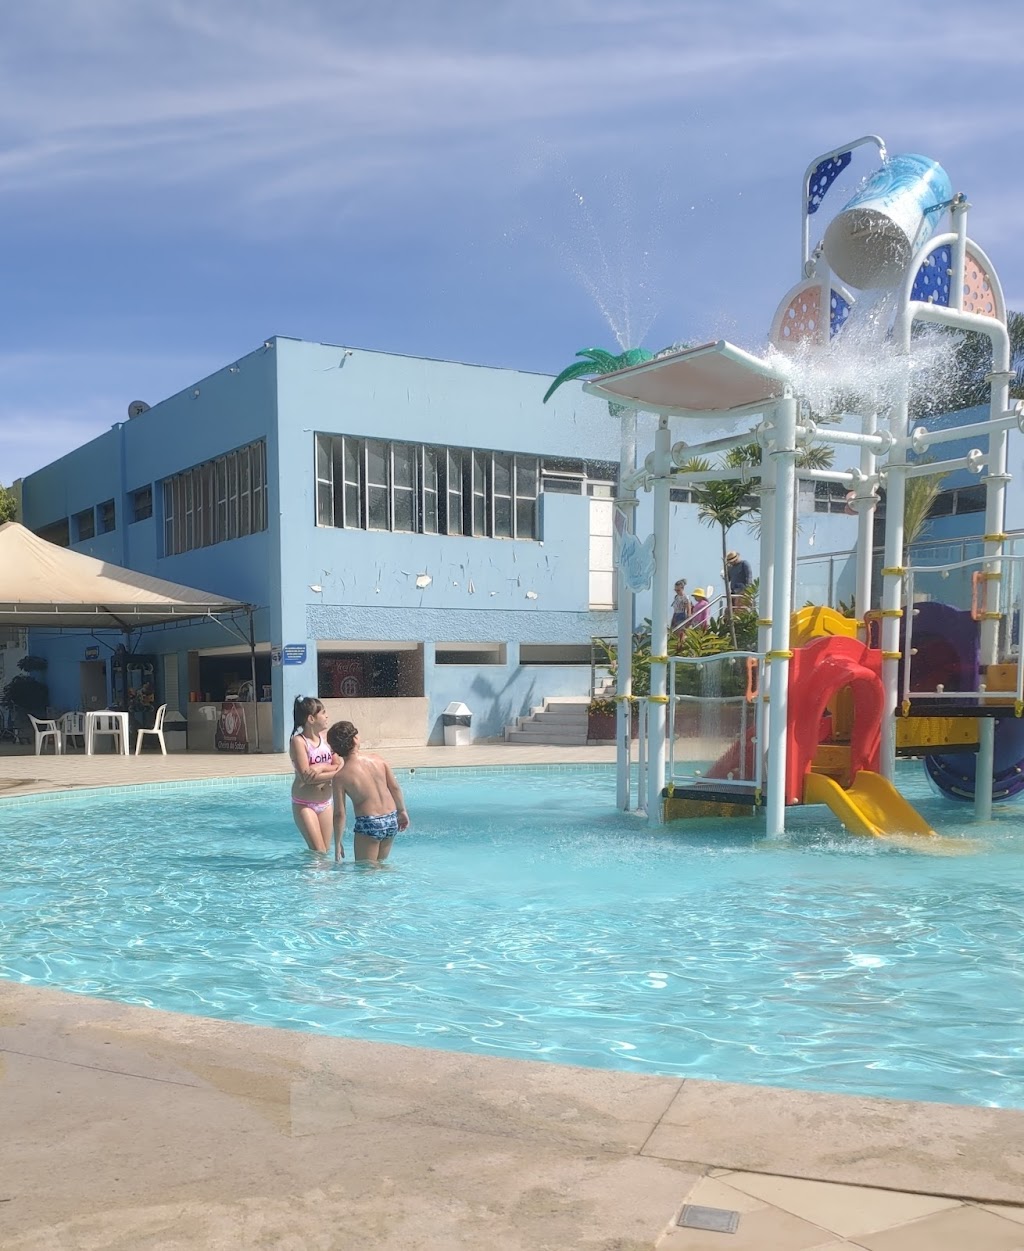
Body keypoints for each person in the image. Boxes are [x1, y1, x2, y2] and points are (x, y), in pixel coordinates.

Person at [327, 720, 410, 864]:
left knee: (365, 871)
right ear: (355, 739)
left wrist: (338, 842)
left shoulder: (340, 777)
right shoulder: (378, 759)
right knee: (381, 866)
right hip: (390, 820)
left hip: (369, 823)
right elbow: (395, 788)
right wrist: (402, 811)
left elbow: (339, 814)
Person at [289, 696, 343, 853]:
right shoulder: (299, 742)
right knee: (318, 851)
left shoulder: (326, 740)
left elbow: (339, 764)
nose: (327, 716)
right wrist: (335, 773)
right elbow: (306, 777)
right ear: (311, 719)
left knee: (325, 851)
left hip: (325, 802)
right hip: (305, 804)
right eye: (323, 713)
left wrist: (320, 767)